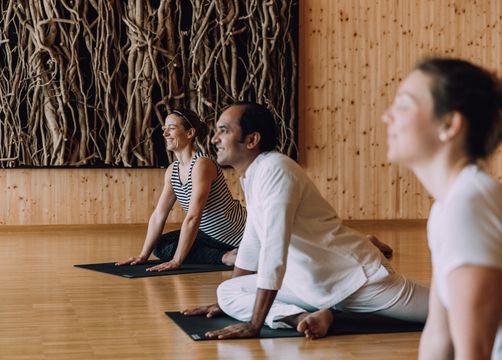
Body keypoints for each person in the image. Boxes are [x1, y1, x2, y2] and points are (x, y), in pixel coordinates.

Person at [183, 102, 429, 339]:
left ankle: (323, 311)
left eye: (223, 130)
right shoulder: (253, 175)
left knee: (449, 310)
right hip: (311, 285)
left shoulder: (276, 170)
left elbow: (273, 250)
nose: (214, 139)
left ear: (251, 140)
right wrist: (229, 304)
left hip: (356, 279)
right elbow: (252, 243)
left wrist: (254, 324)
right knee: (227, 291)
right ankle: (303, 317)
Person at [381, 58, 502, 359]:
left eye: (404, 105)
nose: (387, 117)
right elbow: (439, 332)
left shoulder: (469, 204)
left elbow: (474, 353)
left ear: (449, 125)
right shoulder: (446, 207)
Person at [116, 109, 246, 271]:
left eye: (171, 128)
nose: (165, 134)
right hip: (207, 233)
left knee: (174, 249)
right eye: (164, 129)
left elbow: (193, 216)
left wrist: (177, 261)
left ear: (190, 133)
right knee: (161, 245)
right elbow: (159, 215)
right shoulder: (173, 170)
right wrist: (143, 255)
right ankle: (227, 256)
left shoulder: (202, 164)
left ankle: (228, 256)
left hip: (232, 233)